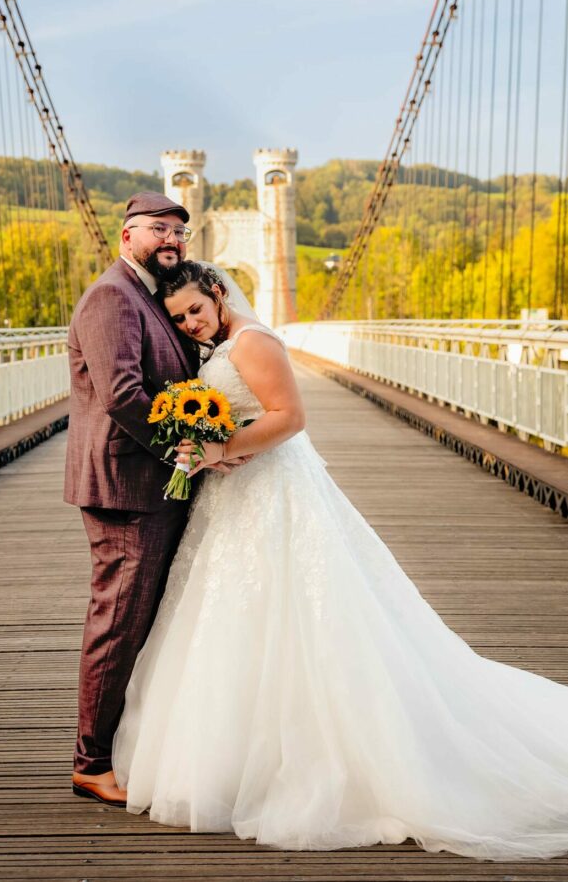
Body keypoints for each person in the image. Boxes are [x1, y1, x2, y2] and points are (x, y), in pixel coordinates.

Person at [112, 259, 568, 860]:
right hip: (235, 496)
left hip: (275, 490)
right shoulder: (221, 345)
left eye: (196, 309)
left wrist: (219, 447)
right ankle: (236, 755)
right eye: (178, 318)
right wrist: (207, 450)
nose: (191, 324)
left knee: (302, 610)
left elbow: (291, 418)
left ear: (218, 294)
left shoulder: (253, 341)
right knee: (234, 615)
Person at [64, 193, 207, 806]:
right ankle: (91, 763)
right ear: (127, 236)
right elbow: (123, 395)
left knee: (142, 620)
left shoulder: (151, 296)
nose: (171, 238)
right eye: (158, 229)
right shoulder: (112, 297)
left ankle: (123, 748)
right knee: (118, 623)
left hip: (153, 483)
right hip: (129, 486)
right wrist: (182, 449)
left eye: (180, 229)